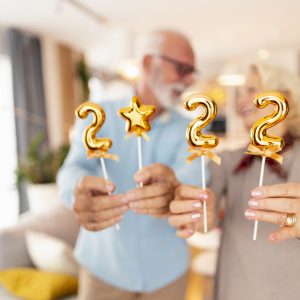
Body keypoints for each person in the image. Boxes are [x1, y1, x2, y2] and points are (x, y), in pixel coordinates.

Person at [58, 30, 201, 300]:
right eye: (182, 69)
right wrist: (77, 189)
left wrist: (177, 189)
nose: (189, 80)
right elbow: (72, 169)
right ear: (149, 63)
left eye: (193, 72)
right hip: (103, 268)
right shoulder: (97, 116)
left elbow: (193, 178)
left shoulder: (191, 130)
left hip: (168, 272)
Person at [168, 63, 300, 300]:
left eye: (251, 89)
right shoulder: (228, 160)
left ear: (285, 97)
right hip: (237, 287)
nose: (241, 101)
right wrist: (199, 211)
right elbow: (206, 209)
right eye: (239, 94)